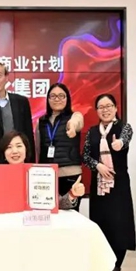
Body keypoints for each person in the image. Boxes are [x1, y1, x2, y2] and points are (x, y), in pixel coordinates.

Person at [83, 94, 136, 271]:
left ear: (115, 108)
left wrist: (119, 143)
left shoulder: (124, 127)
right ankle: (103, 265)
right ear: (97, 111)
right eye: (101, 107)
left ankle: (116, 267)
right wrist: (98, 166)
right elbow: (85, 156)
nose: (105, 110)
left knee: (119, 225)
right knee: (101, 225)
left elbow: (125, 139)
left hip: (118, 185)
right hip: (99, 186)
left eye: (108, 106)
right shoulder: (92, 132)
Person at [0, 131, 84, 212]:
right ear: (4, 153)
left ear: (26, 150)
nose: (14, 151)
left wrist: (72, 194)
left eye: (19, 146)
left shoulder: (42, 173)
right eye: (9, 147)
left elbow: (58, 203)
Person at [36, 83, 84, 211]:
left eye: (61, 96)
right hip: (47, 175)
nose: (57, 99)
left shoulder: (75, 116)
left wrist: (72, 127)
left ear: (67, 98)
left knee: (70, 213)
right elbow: (38, 149)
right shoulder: (41, 121)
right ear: (48, 99)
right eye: (53, 96)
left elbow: (77, 122)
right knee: (48, 213)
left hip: (70, 174)